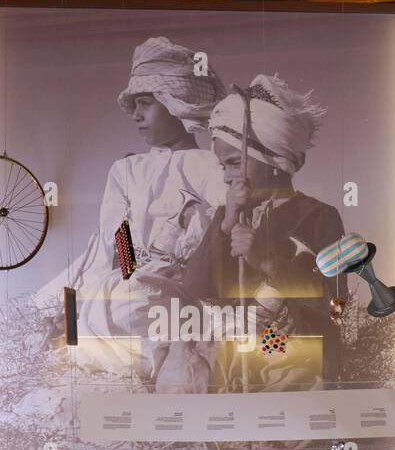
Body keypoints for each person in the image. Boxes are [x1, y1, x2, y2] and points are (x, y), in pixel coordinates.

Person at [40, 37, 227, 385]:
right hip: (134, 275)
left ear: (176, 106)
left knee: (135, 302)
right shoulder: (125, 170)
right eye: (136, 105)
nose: (137, 116)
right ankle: (97, 338)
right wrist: (129, 272)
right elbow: (117, 237)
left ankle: (150, 356)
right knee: (72, 298)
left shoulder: (210, 164)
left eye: (146, 104)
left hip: (181, 283)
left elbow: (221, 227)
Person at [183, 75, 345, 390]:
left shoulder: (319, 217)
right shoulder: (227, 217)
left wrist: (265, 261)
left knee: (283, 376)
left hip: (291, 352)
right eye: (222, 168)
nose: (227, 178)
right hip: (232, 350)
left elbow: (336, 305)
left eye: (233, 163)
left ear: (270, 159)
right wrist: (226, 225)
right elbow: (196, 287)